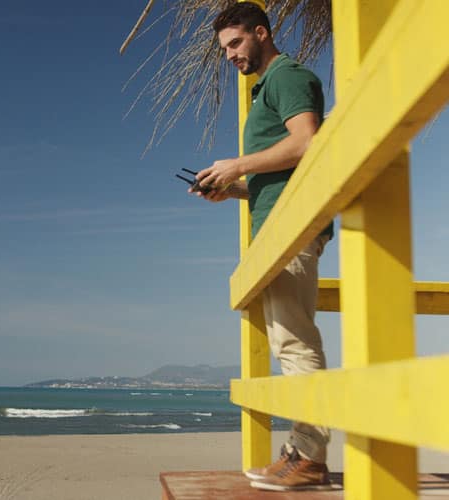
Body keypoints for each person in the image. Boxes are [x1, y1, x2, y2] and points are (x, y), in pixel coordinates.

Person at [189, 3, 334, 492]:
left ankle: (310, 457)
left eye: (235, 43)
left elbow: (308, 143)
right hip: (278, 223)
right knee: (287, 341)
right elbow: (278, 176)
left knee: (295, 341)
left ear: (261, 32)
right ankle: (299, 451)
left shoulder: (287, 76)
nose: (229, 55)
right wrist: (232, 188)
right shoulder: (266, 89)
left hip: (293, 227)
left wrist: (237, 165)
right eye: (223, 48)